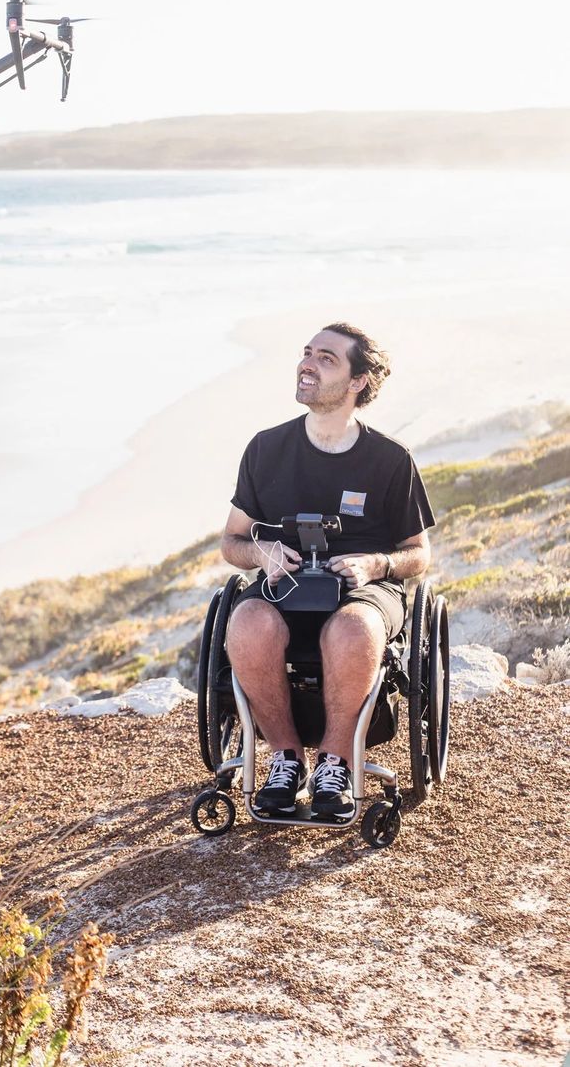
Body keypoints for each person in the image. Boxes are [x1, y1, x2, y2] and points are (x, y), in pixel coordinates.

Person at [221, 322, 435, 822]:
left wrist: (377, 563)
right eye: (307, 353)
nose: (307, 364)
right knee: (247, 622)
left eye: (326, 358)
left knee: (352, 629)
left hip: (365, 589)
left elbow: (418, 554)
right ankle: (286, 759)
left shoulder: (390, 459)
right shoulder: (266, 448)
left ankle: (336, 763)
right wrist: (263, 554)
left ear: (358, 381)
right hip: (287, 580)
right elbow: (232, 541)